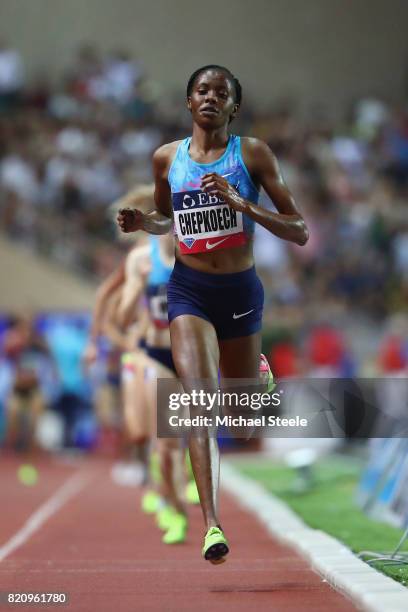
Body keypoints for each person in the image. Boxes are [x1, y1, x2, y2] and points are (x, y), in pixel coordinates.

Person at [117, 65, 309, 563]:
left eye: (220, 93)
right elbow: (166, 219)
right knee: (198, 403)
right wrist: (145, 221)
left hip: (240, 291)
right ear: (188, 102)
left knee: (241, 425)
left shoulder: (252, 154)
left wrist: (243, 204)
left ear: (233, 107)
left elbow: (299, 229)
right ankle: (212, 524)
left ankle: (256, 374)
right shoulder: (167, 159)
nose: (210, 98)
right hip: (190, 291)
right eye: (202, 90)